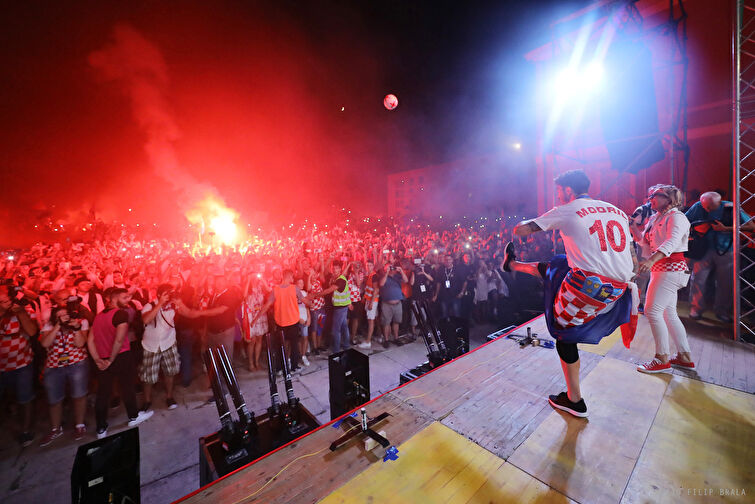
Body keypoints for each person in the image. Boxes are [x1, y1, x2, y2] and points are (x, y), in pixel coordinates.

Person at [507, 169, 638, 418]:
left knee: (563, 334)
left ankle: (574, 400)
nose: (558, 196)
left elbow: (521, 230)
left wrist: (522, 222)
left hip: (589, 288)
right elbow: (631, 253)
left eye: (559, 191)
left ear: (568, 190)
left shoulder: (568, 209)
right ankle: (514, 266)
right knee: (558, 263)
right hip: (620, 288)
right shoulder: (617, 211)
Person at [630, 185, 694, 373]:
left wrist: (650, 261)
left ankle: (662, 358)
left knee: (652, 311)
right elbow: (645, 241)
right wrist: (634, 227)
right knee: (668, 313)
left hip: (670, 269)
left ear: (670, 198)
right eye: (650, 195)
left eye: (655, 196)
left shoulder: (677, 217)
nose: (650, 198)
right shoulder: (655, 217)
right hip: (663, 270)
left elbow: (671, 242)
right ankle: (684, 356)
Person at [88, 288, 153, 439]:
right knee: (127, 387)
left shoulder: (98, 316)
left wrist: (98, 359)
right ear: (112, 299)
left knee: (103, 393)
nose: (127, 300)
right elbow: (119, 339)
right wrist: (110, 359)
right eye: (124, 297)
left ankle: (101, 428)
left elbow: (90, 340)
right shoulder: (120, 314)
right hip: (120, 356)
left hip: (102, 359)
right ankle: (133, 417)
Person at [139, 284, 215, 411]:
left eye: (172, 293)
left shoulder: (174, 304)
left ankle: (169, 396)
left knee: (170, 372)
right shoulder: (150, 305)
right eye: (168, 293)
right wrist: (160, 304)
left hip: (168, 343)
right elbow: (146, 320)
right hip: (151, 346)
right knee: (148, 376)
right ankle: (147, 400)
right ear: (159, 295)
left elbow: (189, 314)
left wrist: (181, 304)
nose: (170, 296)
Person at [685, 191, 754, 321]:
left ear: (719, 202)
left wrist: (726, 228)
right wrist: (696, 228)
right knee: (698, 280)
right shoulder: (698, 206)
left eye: (711, 206)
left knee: (725, 282)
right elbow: (684, 220)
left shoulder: (730, 207)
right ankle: (696, 309)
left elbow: (751, 226)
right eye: (705, 206)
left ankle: (722, 311)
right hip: (702, 249)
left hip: (727, 250)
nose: (707, 209)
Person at [39, 305, 90, 445]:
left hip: (77, 363)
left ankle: (80, 425)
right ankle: (56, 429)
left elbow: (80, 344)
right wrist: (57, 327)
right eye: (60, 316)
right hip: (54, 366)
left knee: (79, 395)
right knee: (54, 400)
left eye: (66, 314)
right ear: (55, 318)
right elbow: (45, 344)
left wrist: (76, 328)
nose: (64, 318)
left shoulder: (78, 323)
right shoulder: (49, 326)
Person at [0, 286, 39, 446]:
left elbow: (31, 331)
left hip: (22, 363)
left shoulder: (24, 311)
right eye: (2, 302)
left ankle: (25, 430)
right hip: (1, 366)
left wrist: (21, 313)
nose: (7, 304)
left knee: (25, 397)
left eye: (8, 300)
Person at [251, 269, 308, 371]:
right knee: (294, 346)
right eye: (292, 277)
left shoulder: (275, 289)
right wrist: (312, 303)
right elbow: (304, 300)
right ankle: (294, 367)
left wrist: (256, 318)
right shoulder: (294, 288)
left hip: (281, 323)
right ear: (289, 277)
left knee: (280, 347)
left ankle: (279, 369)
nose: (292, 279)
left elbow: (267, 305)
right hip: (293, 322)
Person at [309, 260, 352, 355]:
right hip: (343, 307)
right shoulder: (338, 278)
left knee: (335, 330)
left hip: (340, 308)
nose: (335, 270)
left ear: (340, 269)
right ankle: (346, 346)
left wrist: (315, 295)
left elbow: (329, 290)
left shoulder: (340, 280)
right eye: (334, 268)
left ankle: (336, 351)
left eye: (337, 268)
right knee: (344, 327)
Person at [205, 273, 242, 364]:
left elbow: (220, 310)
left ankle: (226, 377)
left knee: (226, 358)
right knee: (214, 358)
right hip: (212, 332)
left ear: (226, 283)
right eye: (217, 282)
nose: (219, 284)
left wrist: (197, 313)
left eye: (222, 282)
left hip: (225, 332)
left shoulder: (229, 295)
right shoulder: (214, 294)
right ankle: (216, 376)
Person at [242, 272, 269, 371]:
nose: (255, 278)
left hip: (261, 315)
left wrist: (262, 279)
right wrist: (249, 280)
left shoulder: (261, 286)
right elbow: (244, 296)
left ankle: (257, 362)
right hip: (251, 316)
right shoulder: (247, 287)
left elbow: (269, 290)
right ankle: (251, 363)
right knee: (252, 341)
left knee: (259, 339)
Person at [378, 255, 407, 348]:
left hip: (398, 303)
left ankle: (396, 338)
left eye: (392, 267)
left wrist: (401, 271)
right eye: (389, 267)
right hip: (387, 304)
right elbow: (381, 284)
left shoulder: (398, 276)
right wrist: (386, 273)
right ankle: (386, 340)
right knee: (386, 323)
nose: (391, 269)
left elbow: (406, 281)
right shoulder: (382, 276)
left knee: (396, 322)